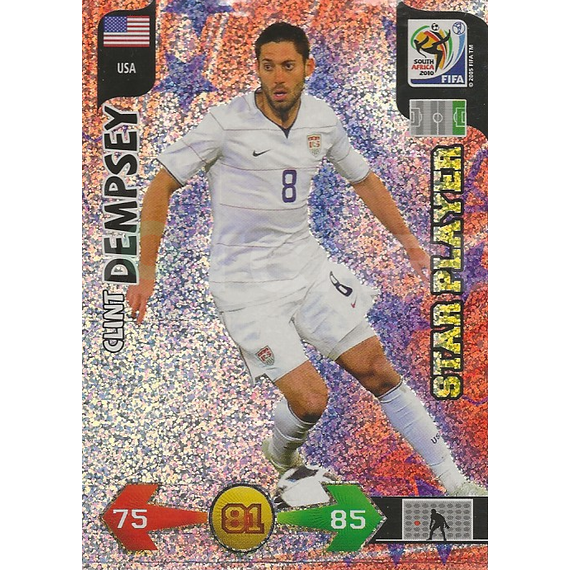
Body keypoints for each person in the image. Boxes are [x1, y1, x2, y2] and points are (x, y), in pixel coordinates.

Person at [127, 22, 486, 498]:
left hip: (306, 269)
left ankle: (456, 482)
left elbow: (364, 180)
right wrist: (146, 271)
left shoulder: (322, 120)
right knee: (312, 400)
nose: (278, 77)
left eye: (288, 66)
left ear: (307, 68)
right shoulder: (224, 123)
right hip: (246, 288)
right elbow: (160, 186)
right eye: (268, 66)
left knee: (376, 368)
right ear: (257, 69)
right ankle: (281, 456)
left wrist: (409, 242)